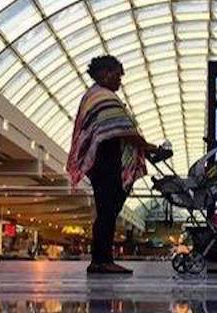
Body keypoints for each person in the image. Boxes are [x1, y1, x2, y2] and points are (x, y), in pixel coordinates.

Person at [66, 55, 156, 275]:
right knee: (107, 210)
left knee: (107, 210)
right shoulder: (102, 97)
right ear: (104, 73)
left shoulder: (94, 96)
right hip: (105, 163)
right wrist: (146, 146)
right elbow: (123, 128)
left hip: (102, 163)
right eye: (117, 74)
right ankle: (102, 260)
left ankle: (101, 260)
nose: (119, 80)